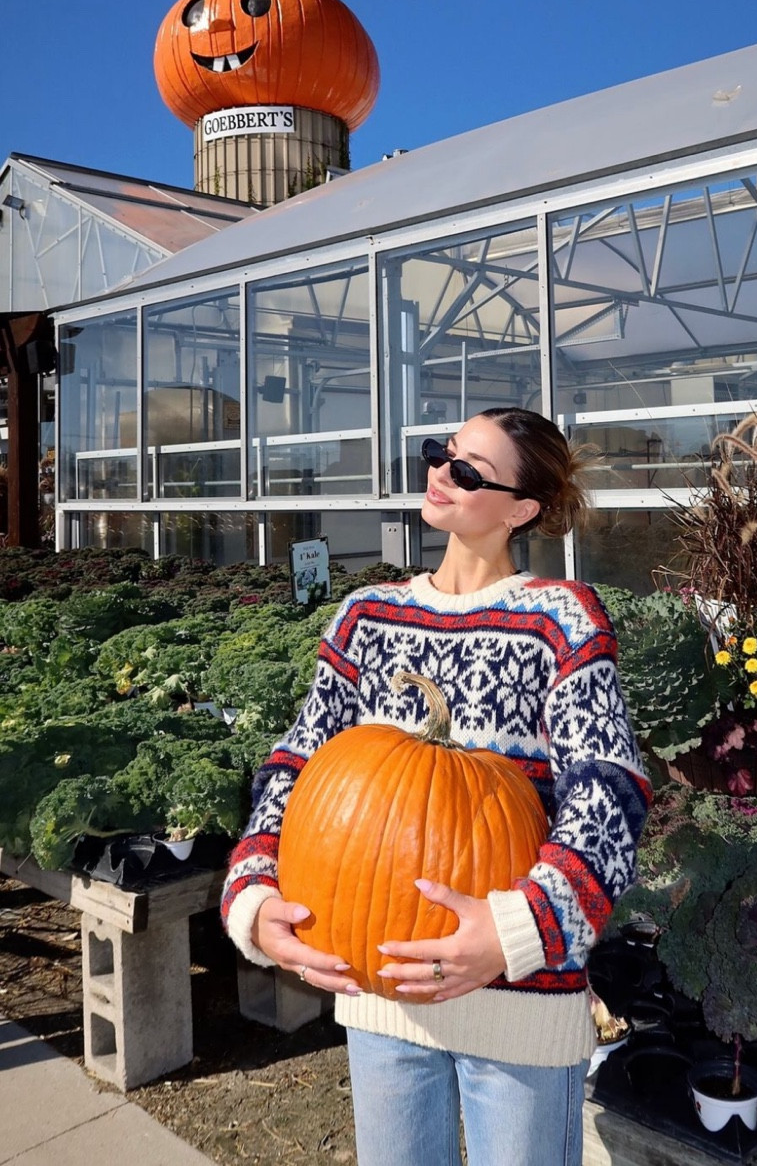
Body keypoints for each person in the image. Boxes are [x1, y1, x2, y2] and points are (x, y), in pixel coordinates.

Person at [221, 406, 651, 1166]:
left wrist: (517, 931)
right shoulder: (366, 617)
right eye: (439, 454)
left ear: (521, 508)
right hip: (380, 996)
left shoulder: (561, 618)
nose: (439, 474)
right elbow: (296, 763)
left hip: (518, 1000)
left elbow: (608, 789)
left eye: (466, 470)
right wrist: (253, 896)